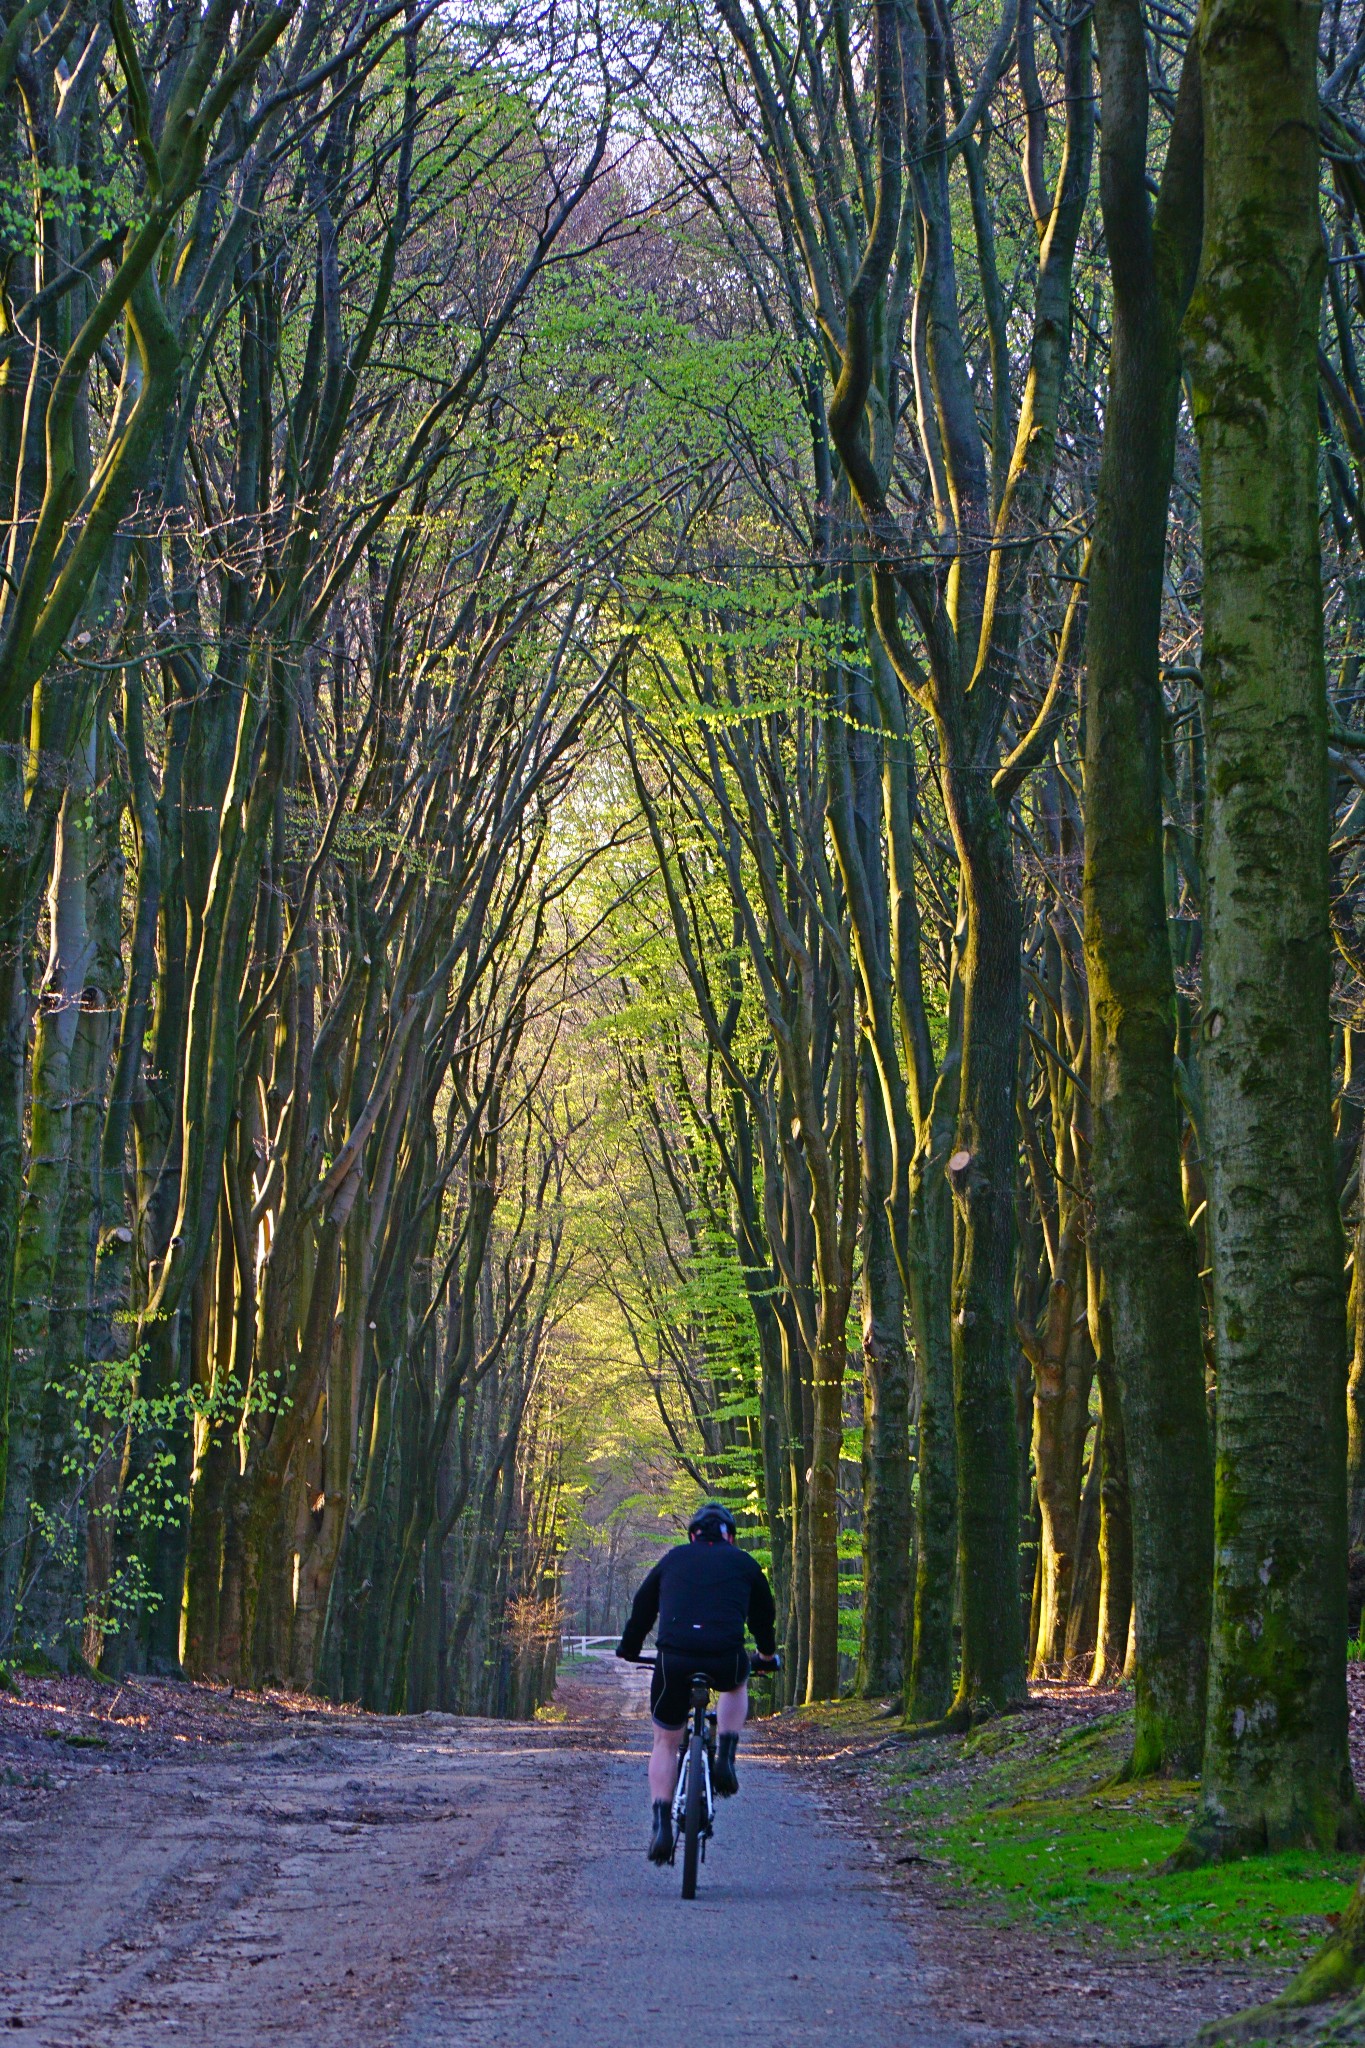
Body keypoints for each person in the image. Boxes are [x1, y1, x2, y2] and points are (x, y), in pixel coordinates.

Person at [616, 1501, 779, 1865]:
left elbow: (643, 1605)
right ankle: (726, 1755)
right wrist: (766, 1655)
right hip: (725, 1656)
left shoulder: (673, 1559)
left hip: (675, 1659)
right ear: (730, 1537)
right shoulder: (745, 1564)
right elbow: (764, 1616)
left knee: (665, 1741)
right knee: (737, 1683)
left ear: (692, 1535)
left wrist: (629, 1648)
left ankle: (661, 1823)